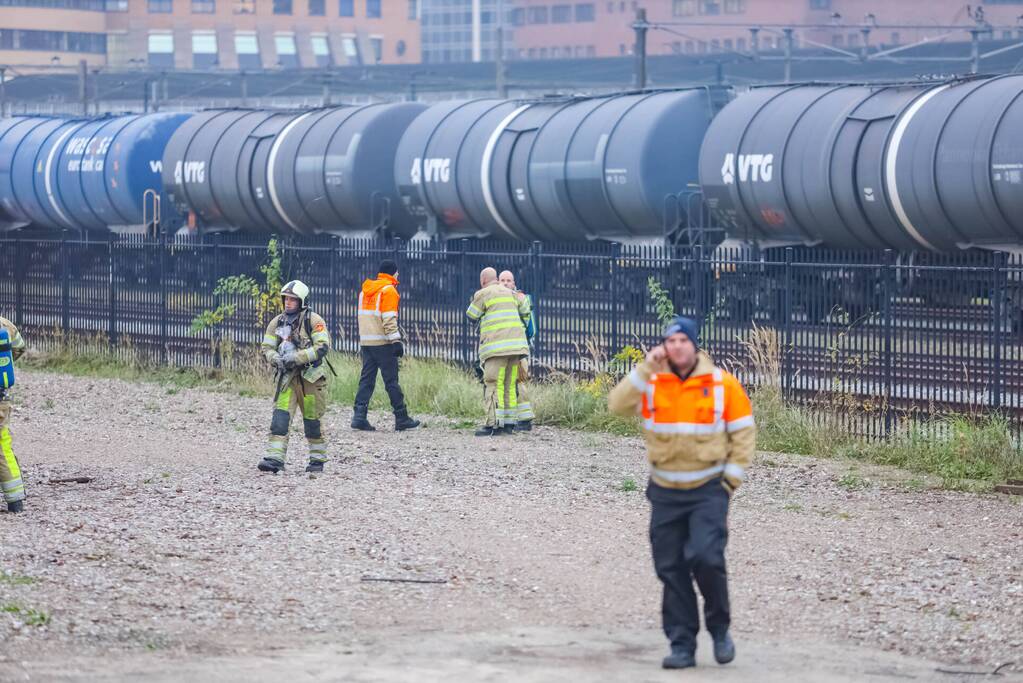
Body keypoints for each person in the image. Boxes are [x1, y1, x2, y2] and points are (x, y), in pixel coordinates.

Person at [607, 316, 755, 670]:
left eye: (683, 341)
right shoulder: (652, 381)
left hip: (707, 491)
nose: (676, 347)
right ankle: (682, 644)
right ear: (665, 347)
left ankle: (720, 630)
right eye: (670, 342)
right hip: (665, 492)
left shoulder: (720, 384)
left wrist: (728, 483)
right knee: (670, 568)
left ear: (694, 345)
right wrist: (645, 368)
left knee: (706, 558)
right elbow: (616, 405)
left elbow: (744, 435)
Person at [258, 280, 333, 474]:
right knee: (280, 418)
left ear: (302, 301)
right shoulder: (277, 322)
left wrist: (297, 357)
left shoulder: (314, 320)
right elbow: (266, 347)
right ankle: (275, 459)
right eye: (286, 299)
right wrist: (276, 358)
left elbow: (322, 347)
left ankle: (317, 460)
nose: (288, 303)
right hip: (287, 379)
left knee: (311, 420)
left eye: (293, 299)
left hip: (310, 379)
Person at [352, 259, 420, 432]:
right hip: (383, 343)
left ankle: (359, 416)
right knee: (391, 381)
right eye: (397, 273)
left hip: (367, 342)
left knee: (366, 380)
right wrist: (396, 341)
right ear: (393, 273)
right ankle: (401, 417)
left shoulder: (365, 291)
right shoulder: (389, 290)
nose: (398, 276)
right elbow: (389, 318)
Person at [467, 267, 531, 436]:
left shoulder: (483, 293)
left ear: (483, 281)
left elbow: (471, 315)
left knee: (493, 383)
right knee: (510, 384)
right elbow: (525, 310)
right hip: (516, 347)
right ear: (496, 279)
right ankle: (509, 424)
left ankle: (492, 425)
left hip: (497, 348)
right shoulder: (511, 292)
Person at [498, 270, 535, 431]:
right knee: (510, 382)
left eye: (508, 280)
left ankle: (524, 419)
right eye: (502, 280)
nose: (505, 283)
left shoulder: (520, 298)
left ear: (514, 283)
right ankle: (514, 419)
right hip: (508, 347)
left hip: (518, 347)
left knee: (519, 380)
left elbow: (527, 320)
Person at [0, 315, 27, 513]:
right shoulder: (4, 324)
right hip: (1, 398)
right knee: (2, 447)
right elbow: (19, 347)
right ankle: (15, 501)